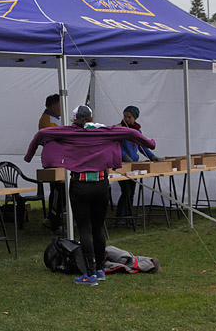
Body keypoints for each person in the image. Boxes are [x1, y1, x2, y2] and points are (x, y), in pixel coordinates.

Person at [28, 105, 155, 286]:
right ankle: (100, 270)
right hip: (101, 185)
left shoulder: (69, 132)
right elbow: (132, 133)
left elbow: (41, 134)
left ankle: (89, 274)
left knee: (85, 229)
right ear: (91, 118)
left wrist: (29, 155)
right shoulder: (105, 131)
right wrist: (151, 144)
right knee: (98, 227)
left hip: (80, 185)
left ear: (74, 119)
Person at [114, 105, 160, 226]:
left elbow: (142, 146)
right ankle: (120, 217)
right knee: (126, 191)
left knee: (131, 192)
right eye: (125, 116)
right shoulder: (119, 130)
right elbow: (115, 147)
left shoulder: (137, 132)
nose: (126, 119)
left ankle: (129, 217)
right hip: (121, 165)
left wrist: (152, 156)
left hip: (133, 165)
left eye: (129, 117)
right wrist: (124, 156)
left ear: (135, 118)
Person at [37, 93, 66, 224]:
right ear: (53, 106)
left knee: (61, 190)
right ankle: (53, 218)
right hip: (53, 160)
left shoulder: (55, 119)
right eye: (60, 105)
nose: (62, 108)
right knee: (57, 190)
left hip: (59, 158)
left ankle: (55, 217)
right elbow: (59, 137)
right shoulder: (47, 120)